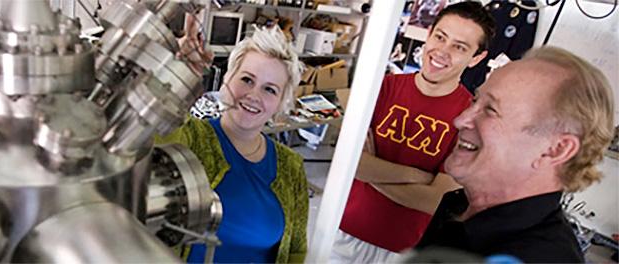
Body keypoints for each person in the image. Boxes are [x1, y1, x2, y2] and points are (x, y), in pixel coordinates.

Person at [416, 46, 615, 262]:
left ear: (555, 150)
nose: (460, 119)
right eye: (475, 101)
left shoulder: (536, 258)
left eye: (490, 110)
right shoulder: (459, 205)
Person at [332, 2, 495, 263]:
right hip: (342, 234)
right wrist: (417, 176)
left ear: (476, 58)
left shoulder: (470, 119)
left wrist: (371, 169)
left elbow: (435, 201)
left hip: (406, 252)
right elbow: (349, 163)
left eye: (459, 47)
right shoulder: (380, 88)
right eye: (440, 37)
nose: (442, 51)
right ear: (428, 34)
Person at [156, 25, 308, 263]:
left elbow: (296, 250)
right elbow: (152, 133)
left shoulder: (291, 167)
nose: (254, 95)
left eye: (270, 89)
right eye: (247, 79)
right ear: (226, 79)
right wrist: (174, 73)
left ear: (280, 103)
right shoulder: (191, 137)